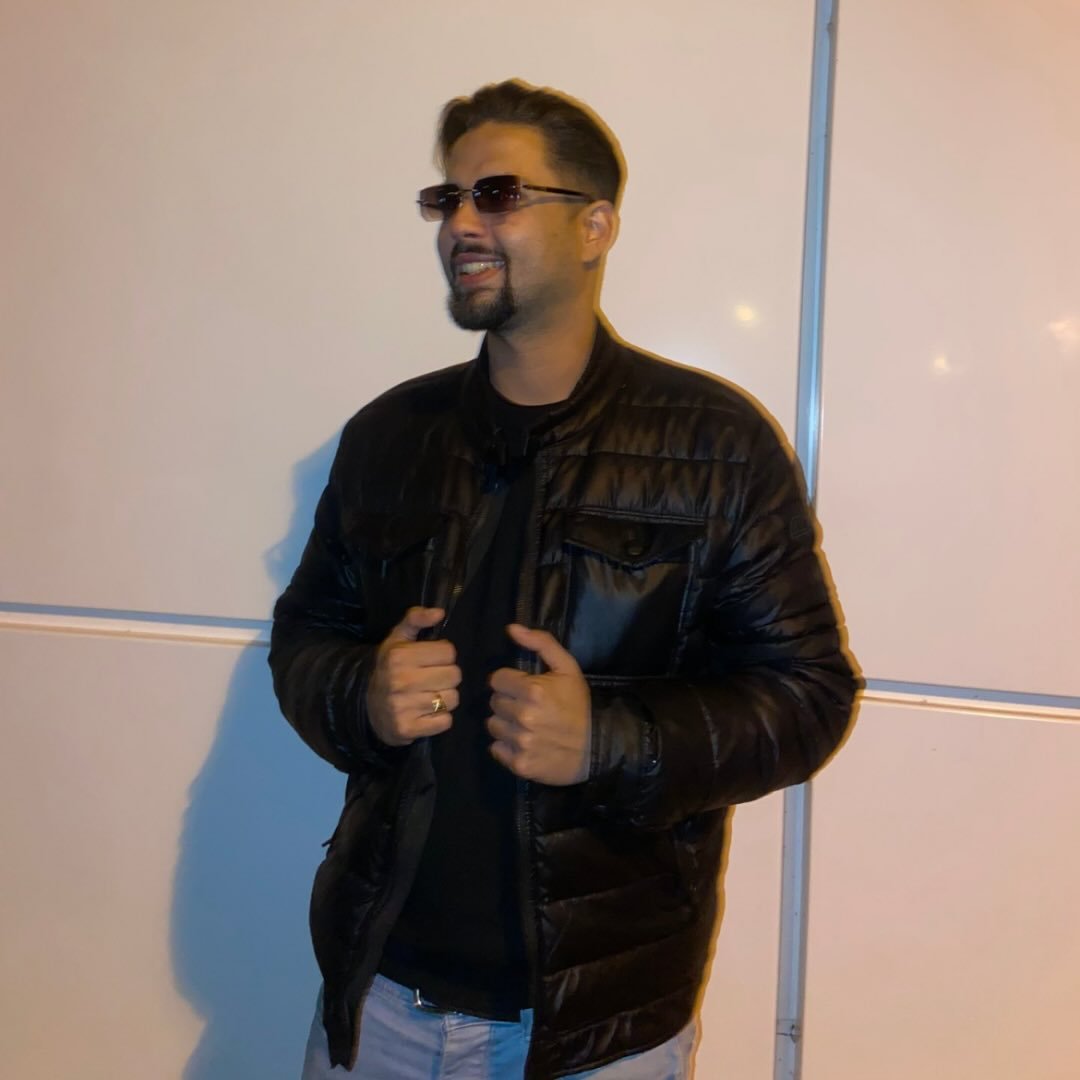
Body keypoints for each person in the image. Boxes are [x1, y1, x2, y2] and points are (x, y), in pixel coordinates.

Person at [269, 78, 859, 1080]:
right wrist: (360, 692)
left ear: (595, 225)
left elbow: (809, 697)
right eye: (446, 199)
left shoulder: (715, 444)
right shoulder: (391, 437)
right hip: (377, 1006)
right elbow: (304, 640)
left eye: (497, 195)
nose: (461, 224)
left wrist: (609, 743)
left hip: (598, 1028)